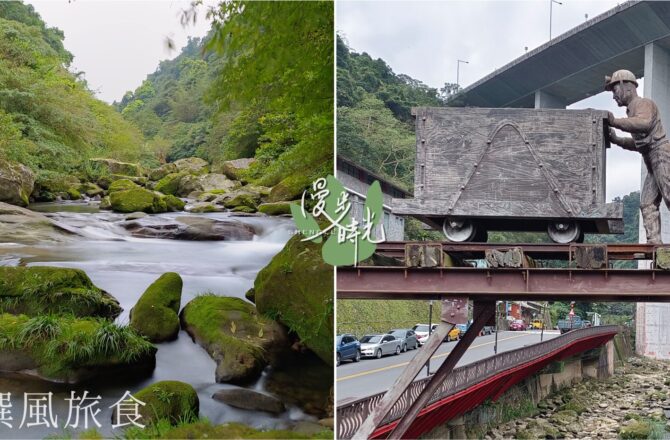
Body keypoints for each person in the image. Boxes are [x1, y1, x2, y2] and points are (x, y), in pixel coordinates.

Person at [605, 69, 670, 244]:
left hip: (661, 154)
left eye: (614, 90)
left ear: (625, 86)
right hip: (651, 159)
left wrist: (615, 122)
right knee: (647, 204)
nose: (614, 96)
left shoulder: (642, 104)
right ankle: (655, 243)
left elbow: (644, 124)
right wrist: (617, 139)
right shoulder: (631, 111)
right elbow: (638, 144)